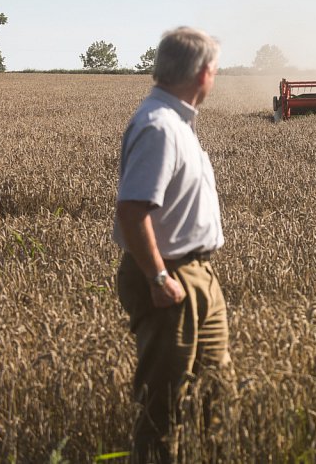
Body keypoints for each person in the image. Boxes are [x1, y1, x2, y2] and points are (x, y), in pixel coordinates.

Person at [113, 26, 230, 463]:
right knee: (164, 406)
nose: (215, 77)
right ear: (202, 73)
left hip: (198, 275)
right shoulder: (159, 126)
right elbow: (132, 209)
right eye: (215, 69)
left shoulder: (176, 122)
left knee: (213, 393)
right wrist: (159, 277)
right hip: (171, 278)